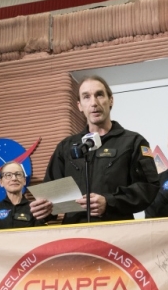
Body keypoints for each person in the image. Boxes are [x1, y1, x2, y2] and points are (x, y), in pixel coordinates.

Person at [30, 75, 159, 224]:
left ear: (110, 100)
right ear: (79, 105)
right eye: (86, 97)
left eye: (99, 95)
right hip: (75, 233)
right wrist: (44, 210)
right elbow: (50, 197)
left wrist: (110, 202)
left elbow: (148, 187)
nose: (94, 103)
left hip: (117, 233)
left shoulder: (133, 142)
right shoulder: (65, 147)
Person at [0, 161, 41, 230]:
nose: (14, 178)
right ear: (1, 182)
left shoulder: (35, 208)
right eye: (8, 175)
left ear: (24, 181)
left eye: (18, 174)